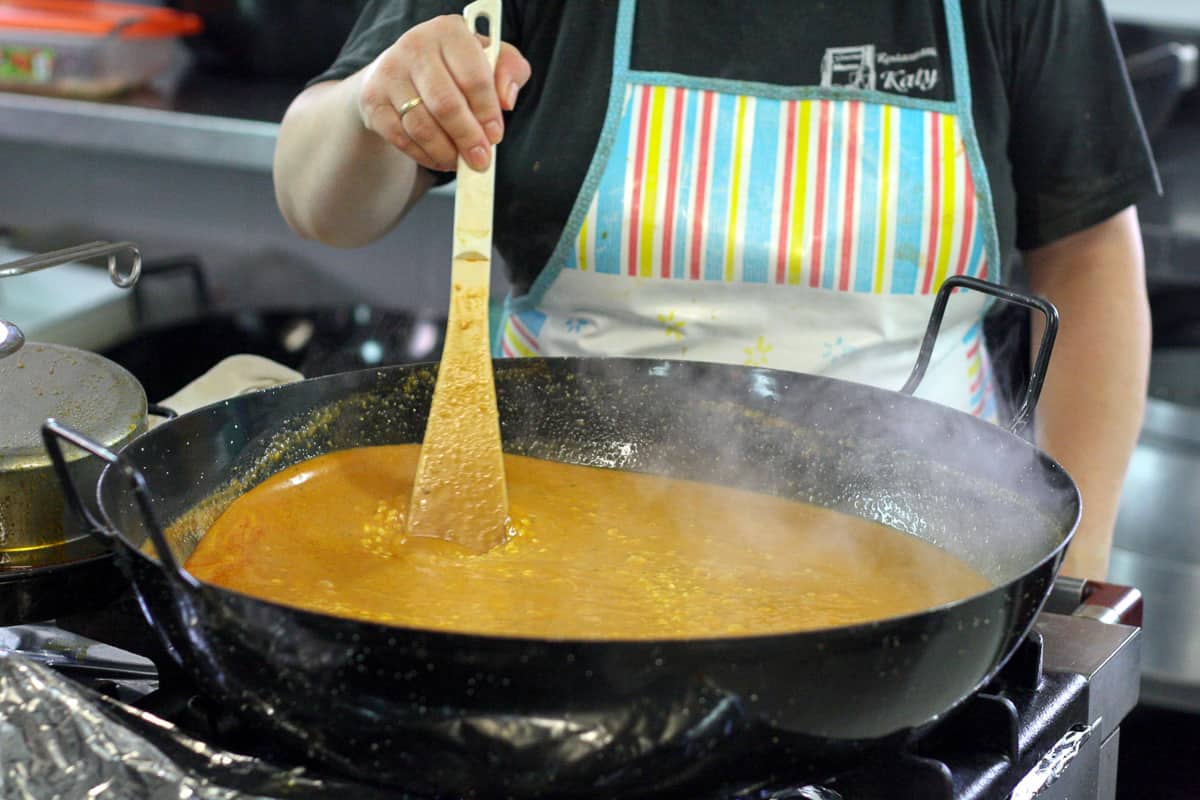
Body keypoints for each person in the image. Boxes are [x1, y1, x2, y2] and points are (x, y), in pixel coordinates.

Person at [273, 0, 1157, 580]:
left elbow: (1088, 257)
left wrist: (1073, 572)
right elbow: (320, 203)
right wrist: (373, 110)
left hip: (924, 545)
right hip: (545, 535)